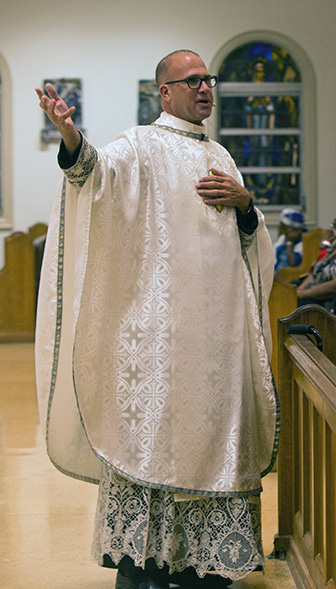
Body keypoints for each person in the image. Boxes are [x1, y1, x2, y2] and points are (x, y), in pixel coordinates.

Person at [35, 50, 279, 588]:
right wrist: (70, 139)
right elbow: (93, 176)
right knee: (152, 440)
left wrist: (245, 205)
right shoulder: (140, 144)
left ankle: (207, 566)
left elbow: (250, 244)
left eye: (208, 79)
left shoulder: (221, 154)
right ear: (164, 92)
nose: (205, 88)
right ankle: (143, 565)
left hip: (217, 340)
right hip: (159, 340)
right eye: (192, 81)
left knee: (215, 441)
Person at [274, 207, 306, 272]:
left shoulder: (305, 242)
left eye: (285, 228)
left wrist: (290, 242)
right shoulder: (283, 238)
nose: (284, 231)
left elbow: (293, 263)